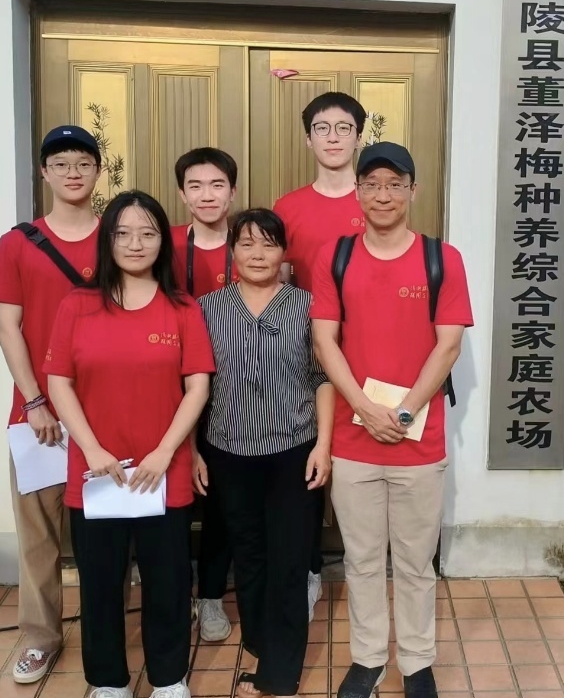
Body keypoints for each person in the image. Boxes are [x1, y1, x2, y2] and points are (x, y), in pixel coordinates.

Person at [311, 143, 473, 698]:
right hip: (354, 439)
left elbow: (448, 347)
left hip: (419, 441)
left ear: (412, 191)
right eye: (372, 184)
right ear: (358, 192)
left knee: (414, 561)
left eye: (395, 184)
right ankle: (368, 658)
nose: (383, 195)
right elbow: (324, 341)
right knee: (360, 559)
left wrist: (402, 413)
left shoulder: (441, 258)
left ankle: (418, 661)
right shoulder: (335, 256)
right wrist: (363, 407)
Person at [45, 191, 215, 698]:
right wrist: (92, 449)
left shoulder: (182, 308)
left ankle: (168, 679)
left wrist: (164, 452)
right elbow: (59, 383)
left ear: (163, 241)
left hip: (164, 471)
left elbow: (198, 387)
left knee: (168, 582)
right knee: (100, 584)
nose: (135, 243)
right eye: (122, 233)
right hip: (98, 473)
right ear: (108, 240)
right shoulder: (77, 305)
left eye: (147, 233)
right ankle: (108, 682)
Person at [0, 125, 102, 684]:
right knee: (38, 537)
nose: (73, 172)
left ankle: (106, 635)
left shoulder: (118, 237)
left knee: (107, 533)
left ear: (98, 171)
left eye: (83, 162)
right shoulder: (18, 243)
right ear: (44, 172)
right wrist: (34, 400)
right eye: (61, 163)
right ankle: (39, 638)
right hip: (40, 418)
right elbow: (8, 328)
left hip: (106, 414)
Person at [197, 208, 334, 698]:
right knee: (249, 553)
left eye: (269, 244)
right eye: (247, 243)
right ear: (231, 250)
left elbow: (323, 377)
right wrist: (193, 452)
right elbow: (193, 385)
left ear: (284, 252)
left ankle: (280, 672)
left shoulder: (307, 306)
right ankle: (258, 639)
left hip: (293, 450)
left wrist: (324, 444)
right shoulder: (206, 308)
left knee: (290, 558)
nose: (258, 254)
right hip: (227, 450)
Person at [273, 91, 368, 620]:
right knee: (308, 467)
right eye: (323, 128)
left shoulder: (374, 198)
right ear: (308, 138)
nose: (333, 138)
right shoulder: (288, 207)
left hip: (369, 359)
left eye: (343, 128)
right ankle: (309, 570)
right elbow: (280, 283)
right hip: (305, 363)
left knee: (361, 468)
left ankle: (364, 573)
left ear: (359, 137)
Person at [171, 147, 239, 643]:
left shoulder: (253, 241)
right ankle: (179, 595)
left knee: (220, 498)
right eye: (195, 186)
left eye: (217, 185)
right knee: (178, 493)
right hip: (173, 382)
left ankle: (212, 594)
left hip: (239, 388)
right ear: (182, 194)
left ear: (232, 192)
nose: (207, 195)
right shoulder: (164, 243)